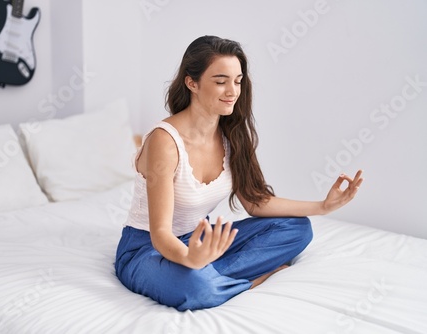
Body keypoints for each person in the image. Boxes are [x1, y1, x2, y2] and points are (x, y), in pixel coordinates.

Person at [115, 35, 363, 311]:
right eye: (221, 81)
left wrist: (323, 206)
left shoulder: (232, 135)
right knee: (196, 288)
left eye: (238, 81)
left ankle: (210, 273)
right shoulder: (164, 140)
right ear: (192, 82)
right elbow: (160, 233)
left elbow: (254, 202)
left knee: (297, 228)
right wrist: (189, 259)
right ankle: (250, 280)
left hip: (200, 239)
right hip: (147, 249)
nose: (232, 91)